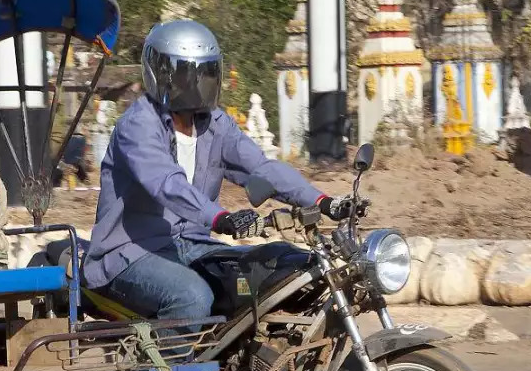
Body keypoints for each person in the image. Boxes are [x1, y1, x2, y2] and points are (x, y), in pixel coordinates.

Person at [83, 19, 355, 324]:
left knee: (283, 267)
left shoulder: (215, 124)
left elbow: (262, 168)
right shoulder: (139, 124)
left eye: (205, 73)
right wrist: (220, 218)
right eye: (187, 74)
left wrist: (324, 202)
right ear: (162, 74)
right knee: (192, 296)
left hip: (193, 245)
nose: (197, 84)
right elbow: (166, 183)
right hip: (128, 253)